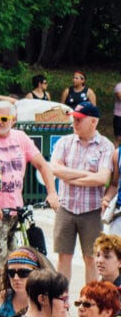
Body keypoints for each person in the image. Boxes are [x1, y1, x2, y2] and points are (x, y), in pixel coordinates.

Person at [0, 99, 59, 275]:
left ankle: (12, 291)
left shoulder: (20, 137)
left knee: (16, 261)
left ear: (13, 120)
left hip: (15, 210)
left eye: (3, 119)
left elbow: (43, 165)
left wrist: (52, 193)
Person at [51, 103, 117, 286]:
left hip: (92, 210)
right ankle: (61, 296)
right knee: (63, 256)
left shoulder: (105, 146)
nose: (75, 123)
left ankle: (90, 297)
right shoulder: (64, 142)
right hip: (66, 207)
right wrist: (87, 175)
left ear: (93, 121)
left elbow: (102, 178)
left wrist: (69, 177)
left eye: (79, 119)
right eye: (74, 119)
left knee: (92, 258)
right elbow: (55, 168)